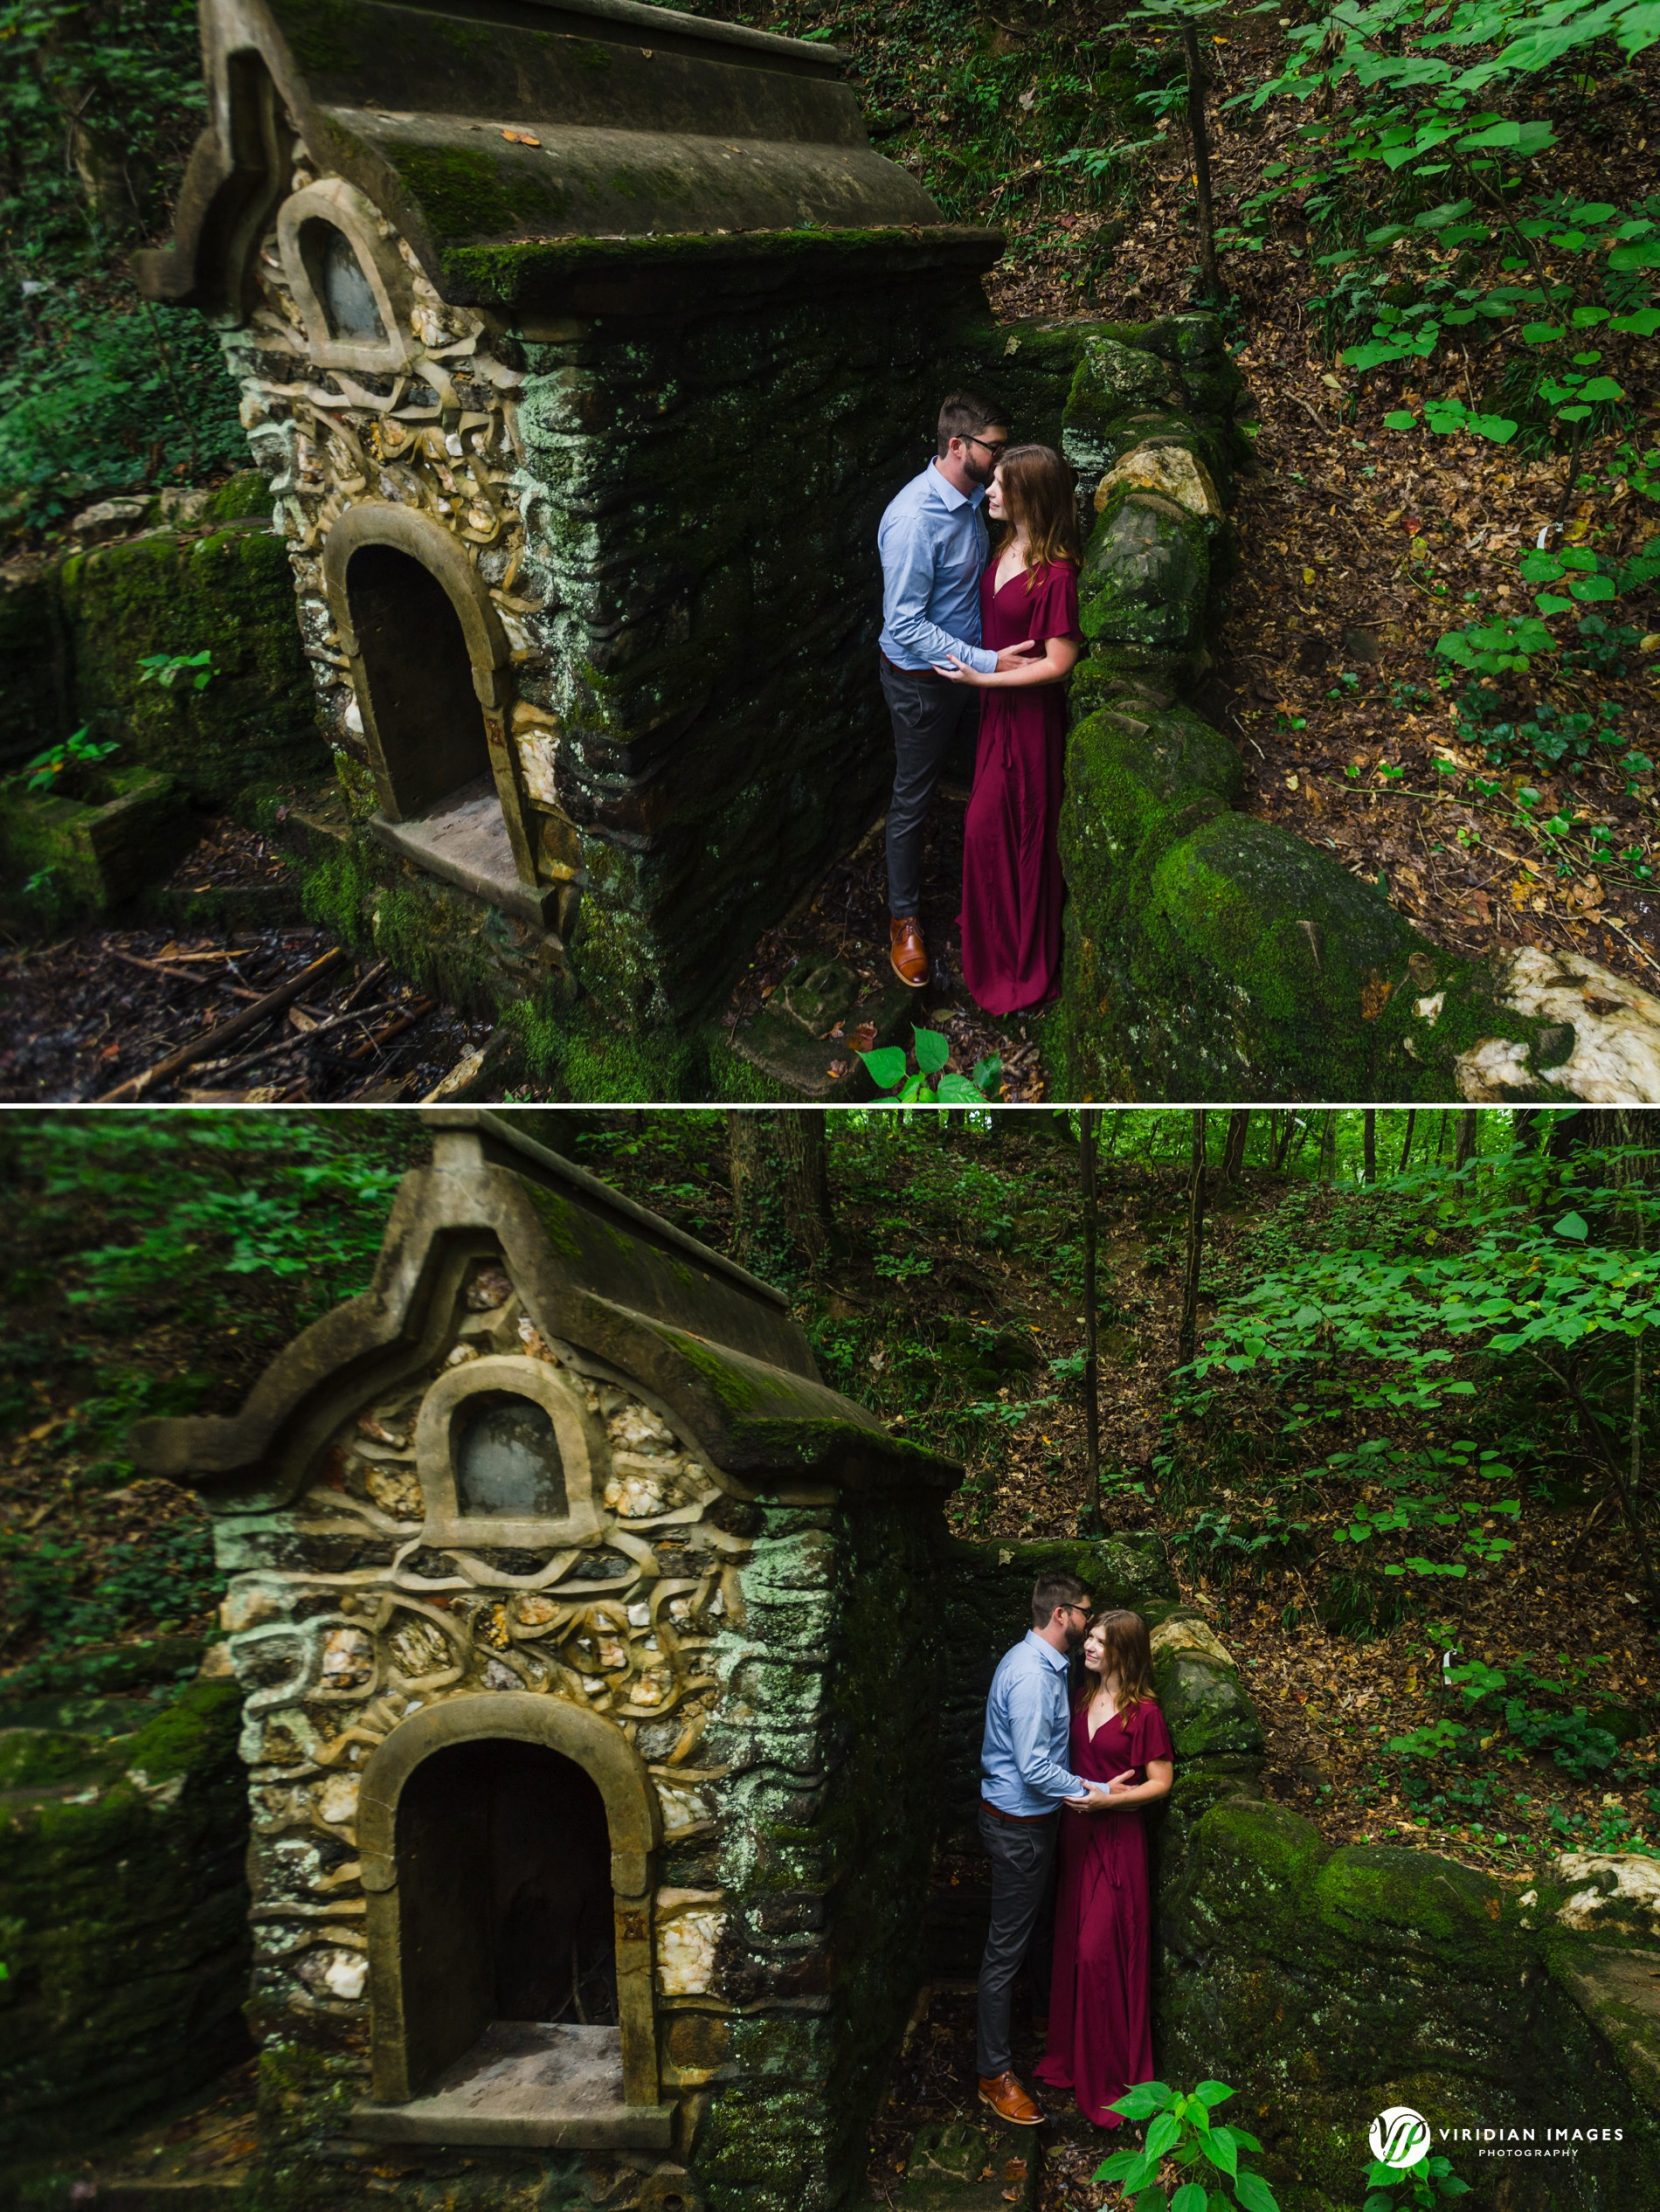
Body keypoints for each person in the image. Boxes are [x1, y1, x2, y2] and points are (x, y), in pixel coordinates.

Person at [877, 393, 1041, 992]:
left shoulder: (975, 498)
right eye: (994, 448)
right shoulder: (916, 520)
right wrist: (986, 661)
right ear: (956, 446)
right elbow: (904, 625)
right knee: (913, 797)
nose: (1001, 461)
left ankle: (992, 893)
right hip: (923, 684)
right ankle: (903, 919)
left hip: (975, 671)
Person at [935, 444, 1082, 1017]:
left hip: (1027, 721)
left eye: (1000, 484)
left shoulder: (1057, 572)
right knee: (986, 830)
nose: (988, 492)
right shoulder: (1008, 545)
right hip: (998, 712)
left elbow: (1060, 661)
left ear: (1031, 496)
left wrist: (984, 678)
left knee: (1006, 829)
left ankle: (1018, 965)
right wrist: (987, 663)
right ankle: (991, 939)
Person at [976, 1571, 1118, 2127]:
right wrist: (1104, 1791)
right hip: (1018, 1828)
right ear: (1061, 1614)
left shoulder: (1038, 1663)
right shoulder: (1033, 1677)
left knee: (1035, 1930)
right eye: (1086, 1610)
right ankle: (993, 2073)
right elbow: (1035, 1769)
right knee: (1004, 1950)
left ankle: (1040, 2019)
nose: (1090, 1622)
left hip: (1030, 1824)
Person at [1033, 1609, 1175, 2130]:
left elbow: (1161, 1782)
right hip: (1077, 1835)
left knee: (1099, 1953)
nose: (1087, 1646)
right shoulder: (1082, 1697)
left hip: (1117, 1838)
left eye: (1100, 1640)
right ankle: (1072, 2060)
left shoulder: (1145, 1714)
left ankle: (1112, 2076)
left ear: (1125, 1652)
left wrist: (1110, 1803)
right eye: (1088, 1637)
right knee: (1072, 1948)